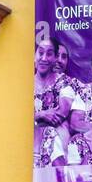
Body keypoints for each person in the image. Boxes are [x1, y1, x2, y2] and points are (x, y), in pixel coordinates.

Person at [34, 39, 74, 167]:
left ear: (55, 57)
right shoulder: (24, 83)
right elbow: (16, 118)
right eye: (40, 53)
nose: (44, 58)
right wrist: (40, 115)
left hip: (58, 146)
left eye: (49, 54)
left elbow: (60, 114)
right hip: (29, 145)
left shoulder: (64, 82)